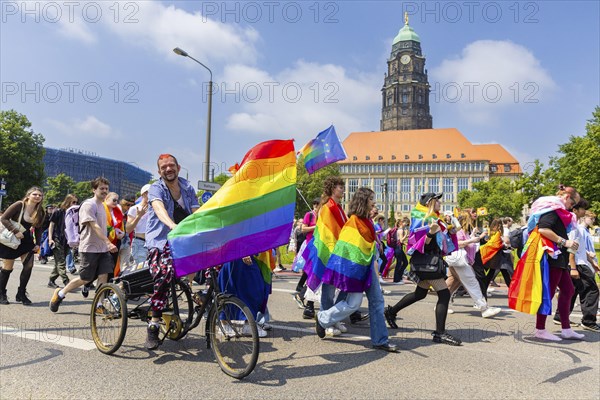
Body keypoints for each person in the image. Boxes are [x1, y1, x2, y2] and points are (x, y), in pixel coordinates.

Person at [316, 187, 398, 352]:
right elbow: (346, 249)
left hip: (366, 267)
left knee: (377, 302)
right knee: (353, 304)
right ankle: (323, 318)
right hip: (356, 270)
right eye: (371, 200)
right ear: (363, 202)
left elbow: (366, 243)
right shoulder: (353, 221)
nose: (374, 202)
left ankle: (380, 340)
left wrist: (375, 242)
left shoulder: (367, 220)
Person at [384, 192, 462, 346]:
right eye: (437, 201)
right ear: (430, 203)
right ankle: (440, 333)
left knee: (420, 293)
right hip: (428, 263)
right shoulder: (423, 219)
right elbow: (420, 244)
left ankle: (391, 312)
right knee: (444, 294)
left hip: (430, 262)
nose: (440, 203)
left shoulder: (436, 218)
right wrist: (431, 233)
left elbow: (447, 237)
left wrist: (451, 226)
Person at [144, 154, 200, 350]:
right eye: (164, 167)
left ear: (178, 167)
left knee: (213, 260)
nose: (168, 169)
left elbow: (197, 212)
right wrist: (172, 225)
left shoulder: (188, 187)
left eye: (171, 165)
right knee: (164, 273)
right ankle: (154, 323)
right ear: (159, 171)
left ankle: (201, 295)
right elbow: (159, 209)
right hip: (160, 240)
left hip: (183, 239)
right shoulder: (156, 188)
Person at [49, 177, 118, 312]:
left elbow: (103, 226)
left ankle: (99, 305)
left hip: (102, 248)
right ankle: (61, 293)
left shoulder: (102, 206)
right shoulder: (89, 205)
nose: (104, 191)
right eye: (101, 188)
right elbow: (94, 226)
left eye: (106, 189)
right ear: (94, 190)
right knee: (85, 278)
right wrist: (108, 242)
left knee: (103, 275)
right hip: (89, 247)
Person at [524, 185, 583, 341]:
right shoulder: (552, 210)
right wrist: (565, 242)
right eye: (573, 203)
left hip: (558, 258)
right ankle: (540, 329)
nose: (573, 207)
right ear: (566, 197)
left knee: (568, 290)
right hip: (552, 257)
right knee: (548, 293)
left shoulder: (557, 210)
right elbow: (543, 229)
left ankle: (566, 329)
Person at [445, 211, 501, 318]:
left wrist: (472, 237)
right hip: (460, 261)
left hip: (457, 260)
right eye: (470, 219)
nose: (472, 220)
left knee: (453, 284)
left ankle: (442, 304)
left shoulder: (461, 230)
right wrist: (472, 240)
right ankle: (484, 308)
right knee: (472, 284)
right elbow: (457, 243)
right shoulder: (459, 231)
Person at [553, 201, 600, 331]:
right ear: (575, 210)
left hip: (579, 262)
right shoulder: (573, 228)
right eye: (583, 209)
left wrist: (592, 262)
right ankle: (588, 321)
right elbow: (571, 249)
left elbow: (580, 248)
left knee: (571, 291)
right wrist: (573, 268)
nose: (584, 211)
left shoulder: (575, 226)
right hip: (577, 264)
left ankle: (559, 317)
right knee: (591, 290)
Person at [0, 187, 45, 305]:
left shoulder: (40, 211)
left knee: (28, 266)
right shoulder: (19, 205)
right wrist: (15, 231)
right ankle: (1, 294)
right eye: (35, 194)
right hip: (12, 239)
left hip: (26, 241)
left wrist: (38, 244)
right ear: (28, 195)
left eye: (40, 195)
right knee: (7, 268)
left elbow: (38, 229)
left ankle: (21, 293)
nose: (37, 197)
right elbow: (4, 218)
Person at [293, 198, 320, 317]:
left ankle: (301, 294)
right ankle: (305, 298)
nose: (316, 206)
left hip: (320, 247)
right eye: (315, 204)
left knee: (311, 273)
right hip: (310, 246)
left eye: (318, 205)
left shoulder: (323, 216)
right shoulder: (309, 215)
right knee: (311, 272)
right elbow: (303, 229)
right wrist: (316, 227)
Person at [47, 194, 78, 288]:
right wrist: (50, 239)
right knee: (61, 262)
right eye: (73, 202)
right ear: (67, 201)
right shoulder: (58, 212)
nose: (75, 204)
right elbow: (51, 226)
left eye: (76, 202)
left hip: (68, 240)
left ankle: (51, 280)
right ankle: (66, 281)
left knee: (59, 262)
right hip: (57, 239)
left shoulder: (74, 213)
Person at [127, 184, 150, 266]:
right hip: (140, 243)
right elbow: (128, 229)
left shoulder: (156, 209)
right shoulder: (134, 209)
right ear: (144, 194)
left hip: (153, 244)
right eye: (151, 193)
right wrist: (139, 216)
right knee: (141, 270)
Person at [103, 192, 125, 276]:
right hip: (105, 240)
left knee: (113, 264)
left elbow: (121, 225)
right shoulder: (101, 209)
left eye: (117, 200)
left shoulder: (117, 210)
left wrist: (122, 233)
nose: (116, 202)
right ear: (106, 199)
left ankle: (109, 284)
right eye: (114, 200)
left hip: (116, 241)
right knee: (104, 266)